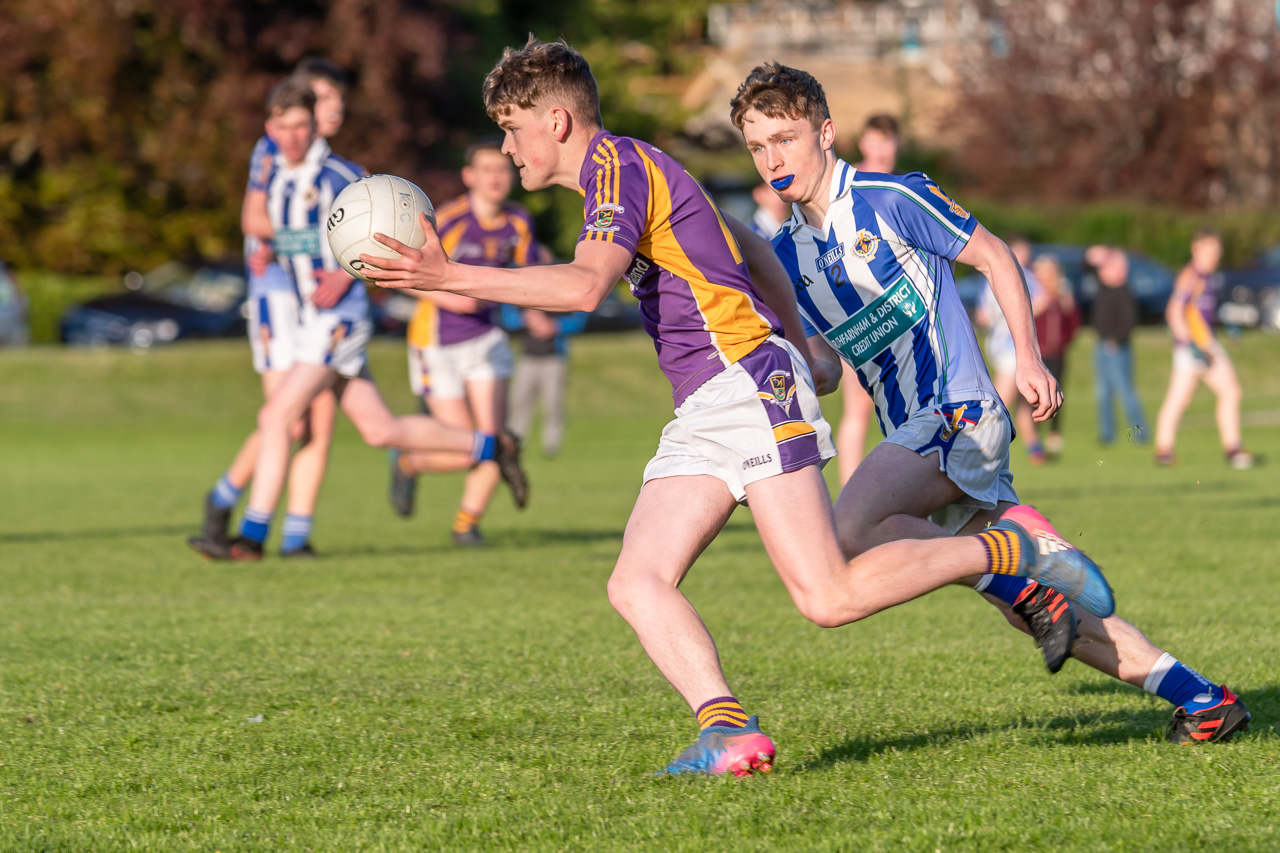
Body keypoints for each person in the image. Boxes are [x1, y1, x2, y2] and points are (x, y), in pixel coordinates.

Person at [358, 38, 1118, 777]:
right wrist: (802, 341)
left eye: (512, 129)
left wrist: (447, 275)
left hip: (745, 385)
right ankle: (725, 728)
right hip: (714, 398)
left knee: (828, 595)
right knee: (636, 579)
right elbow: (750, 247)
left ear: (553, 120)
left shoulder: (617, 166)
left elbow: (584, 287)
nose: (510, 148)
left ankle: (1011, 551)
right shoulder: (629, 170)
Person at [732, 61, 1248, 751]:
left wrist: (1028, 358)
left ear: (826, 132)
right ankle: (1202, 698)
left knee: (849, 530)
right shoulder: (788, 256)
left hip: (957, 411)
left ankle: (1013, 557)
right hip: (921, 438)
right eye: (758, 146)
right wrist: (787, 370)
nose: (772, 159)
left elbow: (998, 258)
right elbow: (828, 363)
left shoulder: (890, 197)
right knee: (1034, 609)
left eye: (785, 139)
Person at [190, 78, 527, 561]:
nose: (293, 136)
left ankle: (251, 537)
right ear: (270, 129)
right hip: (306, 317)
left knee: (277, 416)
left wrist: (346, 275)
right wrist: (272, 248)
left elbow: (373, 238)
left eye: (301, 125)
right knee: (379, 430)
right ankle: (494, 447)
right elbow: (274, 230)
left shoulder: (341, 176)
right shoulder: (274, 175)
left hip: (338, 320)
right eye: (283, 127)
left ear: (314, 125)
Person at [192, 58, 352, 556]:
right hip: (278, 295)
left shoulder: (333, 168)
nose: (335, 108)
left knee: (317, 422)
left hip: (322, 306)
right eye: (324, 98)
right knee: (287, 417)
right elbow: (253, 220)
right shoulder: (276, 150)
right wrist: (280, 245)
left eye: (337, 99)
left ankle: (294, 536)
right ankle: (226, 501)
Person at [389, 139, 538, 546]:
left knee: (491, 438)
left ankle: (466, 526)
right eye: (486, 169)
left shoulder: (519, 223)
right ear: (469, 177)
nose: (495, 177)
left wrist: (537, 312)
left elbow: (527, 276)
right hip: (436, 342)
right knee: (471, 445)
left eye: (503, 169)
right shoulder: (447, 220)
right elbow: (408, 275)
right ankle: (410, 461)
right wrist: (449, 296)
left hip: (487, 340)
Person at [831, 114, 901, 483]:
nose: (881, 149)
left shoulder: (902, 187)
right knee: (858, 406)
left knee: (907, 403)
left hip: (900, 308)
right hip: (857, 308)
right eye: (875, 141)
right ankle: (849, 494)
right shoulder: (848, 186)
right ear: (863, 144)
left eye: (887, 141)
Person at [1153, 229, 1254, 468]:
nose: (1214, 255)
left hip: (1207, 343)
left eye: (1217, 250)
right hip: (1195, 347)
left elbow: (1203, 311)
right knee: (1181, 398)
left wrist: (1226, 324)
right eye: (1209, 250)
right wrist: (1188, 343)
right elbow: (1174, 311)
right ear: (1195, 249)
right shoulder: (1191, 276)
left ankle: (1232, 447)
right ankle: (1164, 449)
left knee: (1229, 391)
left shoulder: (1209, 277)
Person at [975, 235, 1047, 464]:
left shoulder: (994, 275)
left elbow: (983, 316)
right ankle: (980, 450)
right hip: (1007, 346)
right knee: (1001, 402)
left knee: (1023, 401)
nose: (1025, 256)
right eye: (1021, 251)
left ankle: (1034, 448)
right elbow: (983, 315)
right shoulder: (1019, 274)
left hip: (1005, 345)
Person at [501, 298, 587, 458]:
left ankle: (552, 445)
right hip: (527, 358)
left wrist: (554, 326)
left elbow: (578, 320)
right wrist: (526, 318)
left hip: (554, 359)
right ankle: (516, 442)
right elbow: (506, 318)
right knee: (519, 402)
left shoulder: (561, 293)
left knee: (553, 404)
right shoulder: (523, 292)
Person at [1088, 245, 1148, 447]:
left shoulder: (1124, 292)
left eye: (1109, 266)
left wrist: (1117, 339)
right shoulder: (1104, 288)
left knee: (1125, 392)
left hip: (1117, 348)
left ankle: (1139, 434)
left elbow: (1130, 321)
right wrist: (1097, 257)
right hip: (1101, 346)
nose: (1103, 271)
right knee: (1103, 392)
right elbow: (1086, 268)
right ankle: (1107, 434)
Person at [1030, 254, 1080, 455]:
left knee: (1056, 391)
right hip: (1037, 353)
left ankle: (1054, 433)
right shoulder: (1033, 293)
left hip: (1057, 352)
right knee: (1034, 396)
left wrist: (1064, 341)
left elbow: (1073, 320)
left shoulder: (1063, 293)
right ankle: (1034, 435)